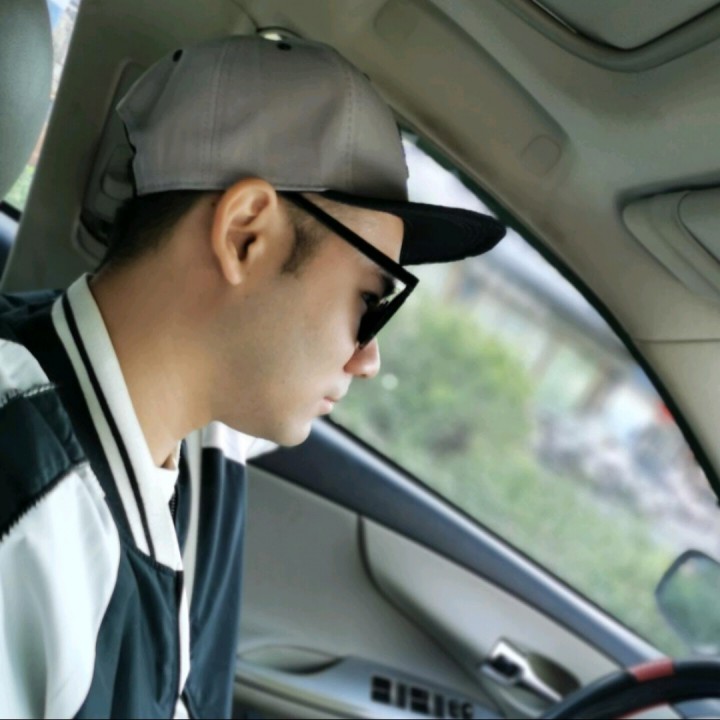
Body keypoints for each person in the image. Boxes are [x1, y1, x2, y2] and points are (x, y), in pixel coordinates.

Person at [0, 34, 505, 718]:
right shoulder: (29, 518)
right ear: (245, 235)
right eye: (370, 300)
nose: (369, 359)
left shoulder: (199, 426)